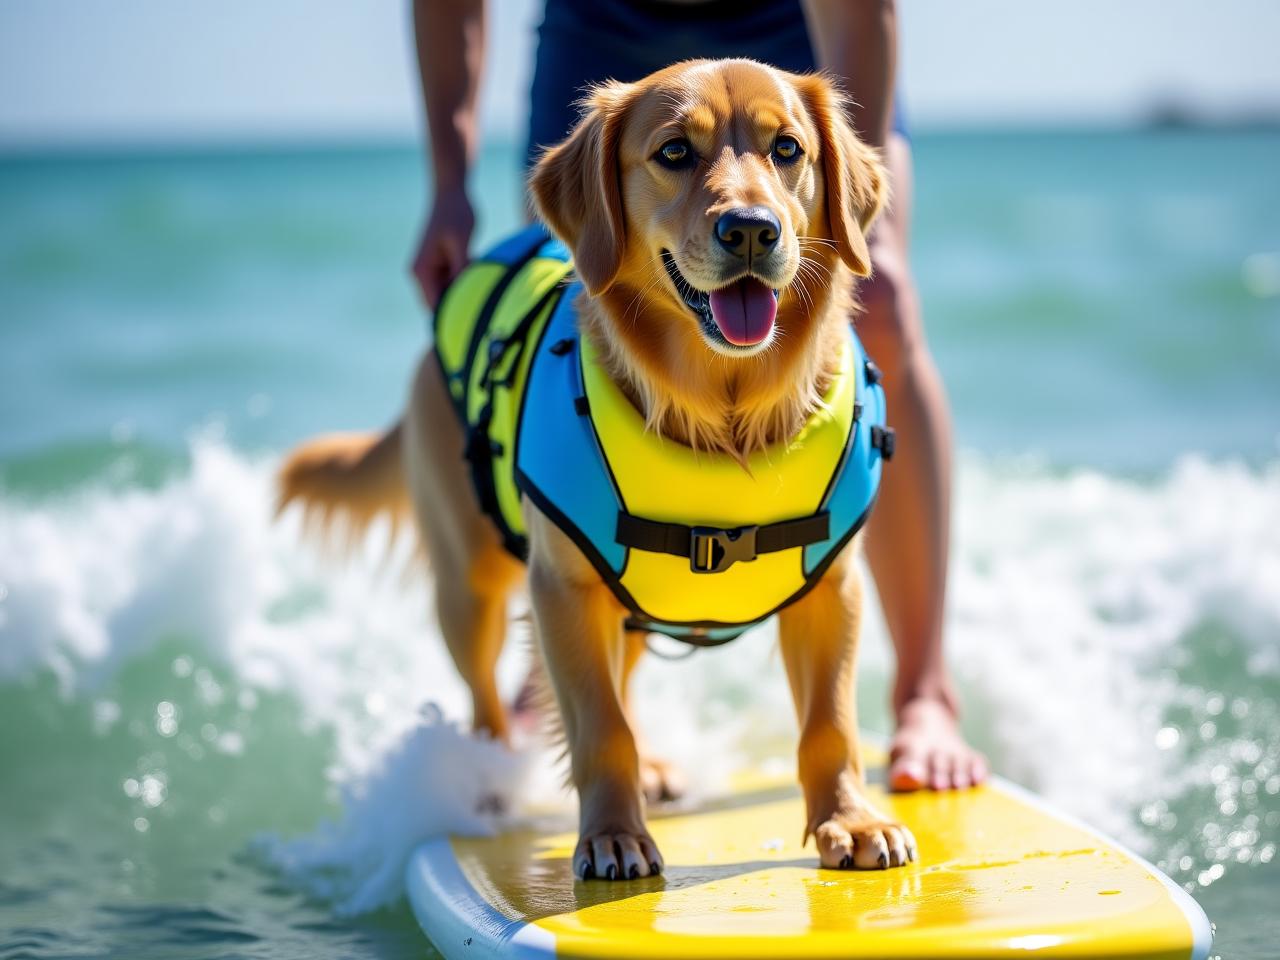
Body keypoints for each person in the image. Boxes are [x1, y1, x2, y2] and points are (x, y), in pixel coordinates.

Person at [410, 0, 987, 792]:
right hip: (601, 22)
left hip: (795, 22)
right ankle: (583, 709)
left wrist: (865, 230)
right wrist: (449, 179)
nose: (741, 208)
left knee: (878, 300)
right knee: (583, 333)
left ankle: (925, 693)